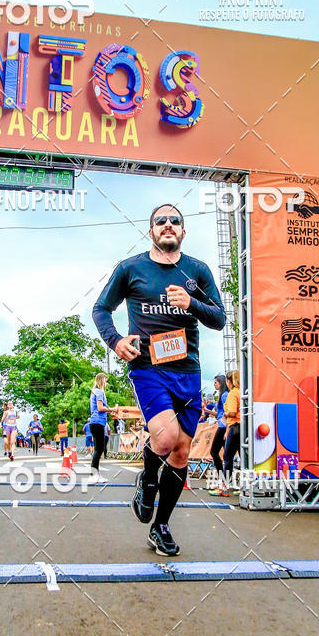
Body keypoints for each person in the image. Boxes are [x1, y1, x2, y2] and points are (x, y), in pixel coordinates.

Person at [93, 203, 225, 556]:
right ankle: (148, 480)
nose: (168, 224)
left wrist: (192, 303)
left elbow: (219, 319)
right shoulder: (130, 268)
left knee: (181, 451)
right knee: (165, 437)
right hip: (147, 367)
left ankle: (160, 526)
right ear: (150, 231)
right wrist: (116, 340)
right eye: (160, 221)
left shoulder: (197, 271)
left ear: (183, 232)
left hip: (188, 370)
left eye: (175, 221)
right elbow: (100, 309)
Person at [88, 373, 118, 481]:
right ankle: (94, 475)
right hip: (98, 423)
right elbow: (100, 408)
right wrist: (112, 410)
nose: (107, 383)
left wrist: (110, 412)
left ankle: (94, 474)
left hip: (96, 422)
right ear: (101, 381)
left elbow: (99, 409)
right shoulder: (99, 392)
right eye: (106, 381)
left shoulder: (95, 392)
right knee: (99, 449)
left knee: (98, 449)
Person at [208, 374, 229, 496]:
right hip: (223, 426)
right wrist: (206, 411)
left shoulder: (225, 395)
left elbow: (227, 412)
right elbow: (220, 414)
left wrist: (226, 428)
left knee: (215, 452)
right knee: (226, 456)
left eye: (215, 382)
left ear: (221, 383)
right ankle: (223, 481)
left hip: (223, 428)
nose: (214, 384)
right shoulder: (222, 395)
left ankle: (223, 481)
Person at [222, 370, 241, 492]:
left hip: (234, 427)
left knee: (227, 458)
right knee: (244, 459)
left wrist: (225, 413)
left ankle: (224, 487)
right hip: (243, 427)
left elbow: (233, 412)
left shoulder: (232, 394)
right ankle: (245, 487)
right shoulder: (242, 392)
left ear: (229, 382)